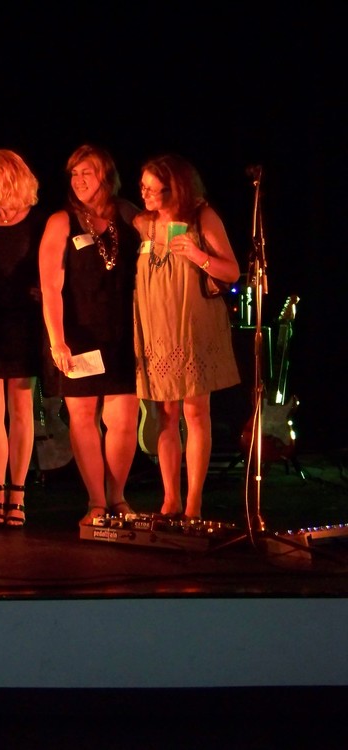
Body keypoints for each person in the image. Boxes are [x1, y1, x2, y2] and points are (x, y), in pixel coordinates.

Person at [133, 154, 241, 519]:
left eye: (153, 188)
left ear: (175, 188)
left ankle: (194, 502)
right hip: (157, 328)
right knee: (165, 414)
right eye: (143, 187)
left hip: (192, 324)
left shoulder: (201, 217)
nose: (145, 194)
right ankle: (171, 500)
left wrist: (197, 255)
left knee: (195, 412)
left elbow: (232, 271)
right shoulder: (144, 223)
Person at [39, 145, 141, 524]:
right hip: (78, 334)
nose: (79, 180)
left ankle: (117, 498)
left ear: (106, 176)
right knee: (83, 417)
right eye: (74, 173)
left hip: (124, 333)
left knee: (124, 420)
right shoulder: (62, 221)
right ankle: (96, 502)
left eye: (88, 172)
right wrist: (57, 340)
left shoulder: (127, 213)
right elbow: (50, 286)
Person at [0, 149, 46, 527]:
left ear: (7, 178)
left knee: (21, 409)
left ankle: (18, 493)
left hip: (24, 324)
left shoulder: (39, 221)